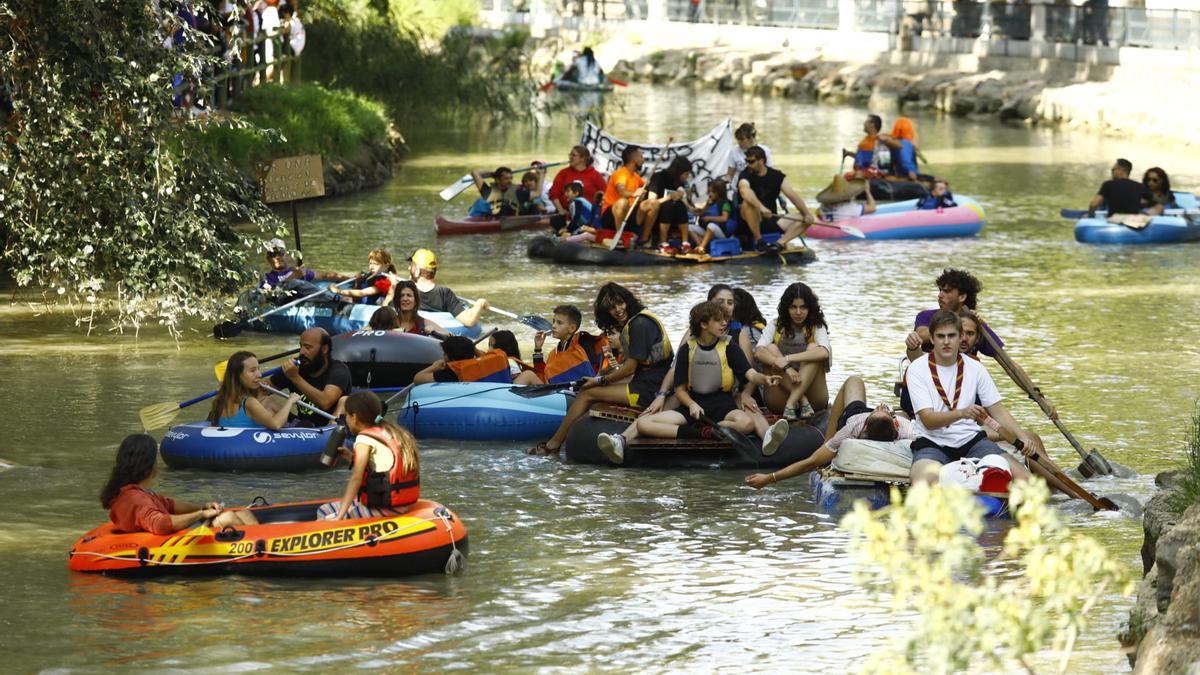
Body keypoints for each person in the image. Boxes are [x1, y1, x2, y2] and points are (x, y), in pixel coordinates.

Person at [596, 301, 791, 464]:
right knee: (645, 424)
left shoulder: (729, 347)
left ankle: (704, 431)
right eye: (718, 320)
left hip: (722, 405)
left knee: (746, 422)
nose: (724, 323)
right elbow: (680, 390)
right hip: (692, 407)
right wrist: (691, 404)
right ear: (704, 324)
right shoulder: (686, 350)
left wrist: (764, 378)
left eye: (725, 319)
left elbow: (749, 373)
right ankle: (701, 432)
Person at [527, 283, 673, 455]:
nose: (618, 309)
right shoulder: (638, 320)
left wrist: (600, 380)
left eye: (620, 303)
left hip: (649, 389)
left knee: (588, 392)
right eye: (611, 307)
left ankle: (553, 445)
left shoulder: (639, 324)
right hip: (648, 381)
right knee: (594, 389)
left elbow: (630, 368)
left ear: (627, 300)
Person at [905, 310, 1041, 485]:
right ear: (931, 339)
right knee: (921, 482)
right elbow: (929, 420)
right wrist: (962, 413)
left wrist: (1022, 437)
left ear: (960, 337)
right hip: (932, 443)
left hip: (971, 441)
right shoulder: (917, 368)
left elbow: (998, 410)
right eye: (940, 336)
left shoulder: (975, 368)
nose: (946, 342)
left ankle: (1006, 510)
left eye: (951, 336)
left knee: (1026, 480)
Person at [745, 376, 916, 488]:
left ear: (865, 427)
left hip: (854, 415)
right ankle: (828, 440)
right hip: (877, 422)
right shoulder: (907, 428)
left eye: (881, 409)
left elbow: (811, 462)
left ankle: (826, 440)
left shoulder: (852, 428)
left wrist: (769, 478)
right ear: (895, 423)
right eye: (883, 409)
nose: (880, 405)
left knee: (853, 381)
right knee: (903, 412)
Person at [101, 434, 257, 534]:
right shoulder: (135, 499)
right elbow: (161, 524)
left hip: (168, 535)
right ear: (147, 465)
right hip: (164, 542)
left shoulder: (135, 492)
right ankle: (258, 550)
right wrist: (200, 514)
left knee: (243, 513)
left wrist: (202, 507)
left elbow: (170, 504)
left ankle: (262, 543)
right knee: (228, 518)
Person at [317, 391, 420, 520]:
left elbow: (356, 479)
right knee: (324, 509)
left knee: (324, 517)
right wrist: (351, 457)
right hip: (403, 504)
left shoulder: (364, 438)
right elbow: (380, 466)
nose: (346, 420)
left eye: (347, 416)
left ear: (354, 417)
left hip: (386, 508)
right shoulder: (393, 432)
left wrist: (340, 517)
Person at [754, 282, 831, 421]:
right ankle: (801, 400)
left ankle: (793, 402)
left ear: (810, 308)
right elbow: (758, 352)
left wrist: (788, 358)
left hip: (814, 398)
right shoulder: (775, 325)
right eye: (793, 307)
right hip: (780, 398)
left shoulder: (817, 326)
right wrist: (786, 367)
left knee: (814, 349)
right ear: (786, 308)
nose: (798, 312)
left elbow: (824, 353)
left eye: (803, 307)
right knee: (770, 349)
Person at [737, 145, 818, 252]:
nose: (748, 165)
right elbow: (744, 191)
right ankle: (759, 241)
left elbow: (792, 195)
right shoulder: (745, 174)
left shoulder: (776, 176)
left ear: (761, 161)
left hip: (771, 219)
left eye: (751, 162)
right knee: (748, 204)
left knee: (805, 218)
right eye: (746, 161)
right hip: (748, 222)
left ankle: (779, 244)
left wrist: (806, 213)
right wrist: (761, 208)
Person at [269, 327, 352, 426]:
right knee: (265, 401)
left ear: (324, 349)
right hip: (301, 425)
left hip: (328, 428)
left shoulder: (339, 370)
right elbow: (263, 389)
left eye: (307, 347)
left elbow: (325, 402)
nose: (301, 352)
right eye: (301, 346)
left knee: (344, 401)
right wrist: (251, 377)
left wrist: (295, 377)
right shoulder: (296, 368)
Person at [208, 351, 300, 429]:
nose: (259, 375)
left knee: (267, 401)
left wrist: (260, 393)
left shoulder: (220, 400)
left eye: (258, 369)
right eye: (252, 371)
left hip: (230, 445)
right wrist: (290, 401)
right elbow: (276, 424)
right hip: (249, 446)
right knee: (269, 403)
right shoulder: (249, 403)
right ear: (237, 376)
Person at [405, 248, 488, 328]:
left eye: (411, 265)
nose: (409, 268)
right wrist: (479, 305)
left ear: (417, 271)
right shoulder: (444, 293)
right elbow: (468, 321)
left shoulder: (405, 292)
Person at [532, 304, 611, 384]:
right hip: (556, 392)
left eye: (559, 323)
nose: (553, 326)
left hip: (581, 393)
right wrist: (538, 349)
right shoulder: (553, 354)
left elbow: (595, 374)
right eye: (553, 321)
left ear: (572, 328)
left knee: (527, 375)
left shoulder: (583, 344)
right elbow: (544, 378)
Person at [259, 238, 344, 301]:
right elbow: (268, 295)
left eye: (280, 253)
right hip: (281, 300)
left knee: (300, 283)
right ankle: (335, 299)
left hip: (303, 299)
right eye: (273, 254)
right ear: (268, 258)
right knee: (295, 282)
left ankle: (336, 299)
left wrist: (351, 278)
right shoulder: (266, 277)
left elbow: (325, 275)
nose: (277, 257)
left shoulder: (297, 271)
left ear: (286, 255)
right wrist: (292, 277)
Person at [413, 335, 513, 384]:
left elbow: (417, 378)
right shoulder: (485, 365)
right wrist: (472, 348)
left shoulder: (451, 373)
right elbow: (484, 356)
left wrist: (434, 366)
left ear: (448, 357)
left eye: (444, 354)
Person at [642, 156, 693, 251]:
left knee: (680, 205)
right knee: (668, 205)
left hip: (672, 217)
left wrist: (690, 207)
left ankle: (685, 243)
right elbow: (651, 202)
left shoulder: (679, 183)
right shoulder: (659, 177)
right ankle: (662, 242)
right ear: (679, 172)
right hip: (656, 215)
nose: (687, 177)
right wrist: (669, 197)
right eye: (686, 174)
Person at [1087, 158, 1160, 217]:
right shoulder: (1139, 186)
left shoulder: (1108, 184)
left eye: (1113, 170)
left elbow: (1094, 204)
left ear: (1120, 170)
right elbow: (1158, 202)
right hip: (1133, 222)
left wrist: (1090, 216)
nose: (1112, 172)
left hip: (1114, 220)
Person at [600, 145, 646, 233]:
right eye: (641, 157)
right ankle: (620, 235)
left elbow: (646, 186)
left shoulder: (636, 176)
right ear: (634, 159)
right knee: (623, 202)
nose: (643, 160)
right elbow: (621, 191)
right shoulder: (621, 173)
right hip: (611, 216)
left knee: (650, 204)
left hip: (629, 213)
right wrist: (634, 194)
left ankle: (645, 238)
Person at [548, 145, 608, 213]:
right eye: (570, 155)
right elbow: (553, 194)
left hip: (588, 215)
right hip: (565, 212)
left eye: (573, 155)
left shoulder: (596, 176)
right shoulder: (563, 173)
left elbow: (605, 195)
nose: (570, 157)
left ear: (583, 158)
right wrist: (561, 211)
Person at [328, 248, 394, 305]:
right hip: (361, 307)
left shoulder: (385, 281)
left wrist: (338, 291)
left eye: (376, 264)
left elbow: (361, 293)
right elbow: (355, 300)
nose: (371, 267)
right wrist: (357, 282)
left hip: (373, 313)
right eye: (370, 263)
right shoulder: (369, 277)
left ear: (386, 266)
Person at [689, 178, 734, 255]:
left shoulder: (725, 204)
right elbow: (702, 213)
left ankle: (702, 247)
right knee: (689, 227)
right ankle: (700, 246)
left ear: (718, 193)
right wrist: (706, 206)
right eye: (709, 192)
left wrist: (710, 218)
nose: (710, 194)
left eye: (712, 192)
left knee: (711, 225)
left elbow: (724, 218)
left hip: (720, 232)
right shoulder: (710, 202)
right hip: (707, 231)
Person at [876, 117, 925, 182]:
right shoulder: (906, 143)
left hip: (889, 175)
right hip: (906, 176)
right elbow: (905, 160)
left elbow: (883, 163)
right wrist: (911, 170)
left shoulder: (886, 141)